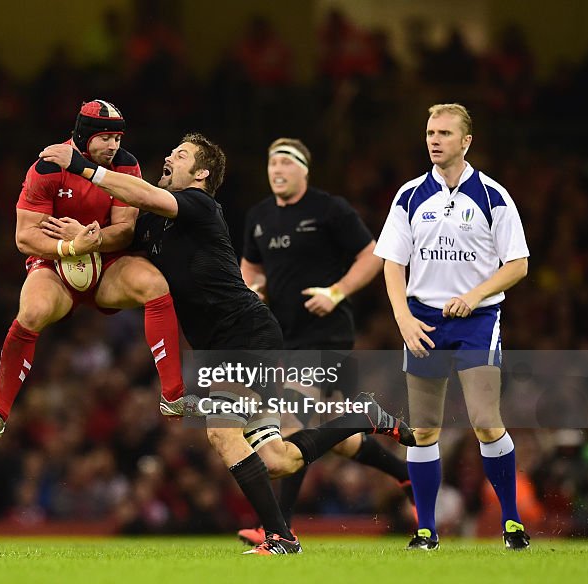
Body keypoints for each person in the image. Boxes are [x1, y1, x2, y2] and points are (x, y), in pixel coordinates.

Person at [39, 133, 416, 555]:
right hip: (221, 347)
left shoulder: (201, 206)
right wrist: (82, 236)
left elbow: (141, 193)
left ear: (200, 174)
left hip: (246, 335)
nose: (168, 156)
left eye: (179, 155)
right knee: (278, 461)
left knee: (221, 430)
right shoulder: (150, 223)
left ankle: (281, 537)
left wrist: (84, 167)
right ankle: (360, 415)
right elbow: (119, 235)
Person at [0, 100, 193, 441]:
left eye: (117, 137)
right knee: (32, 311)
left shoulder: (125, 165)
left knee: (155, 285)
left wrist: (91, 239)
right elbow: (25, 237)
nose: (114, 145)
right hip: (55, 263)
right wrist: (70, 248)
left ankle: (173, 396)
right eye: (105, 138)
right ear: (84, 136)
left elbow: (125, 230)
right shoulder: (46, 169)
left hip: (106, 258)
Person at [236, 138, 413, 545]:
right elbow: (250, 266)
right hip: (282, 335)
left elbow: (372, 254)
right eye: (271, 162)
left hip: (326, 334)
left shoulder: (328, 208)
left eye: (285, 162)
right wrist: (254, 288)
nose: (276, 169)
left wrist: (336, 291)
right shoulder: (260, 215)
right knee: (335, 436)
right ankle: (404, 471)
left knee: (291, 424)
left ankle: (277, 529)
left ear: (303, 169)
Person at [374, 103, 531, 551]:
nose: (434, 140)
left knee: (484, 421)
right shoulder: (408, 197)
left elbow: (518, 264)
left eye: (444, 132)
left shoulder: (492, 197)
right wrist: (403, 319)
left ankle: (512, 522)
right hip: (423, 320)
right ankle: (426, 530)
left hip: (478, 320)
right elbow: (392, 264)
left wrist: (475, 296)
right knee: (424, 429)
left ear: (466, 142)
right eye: (429, 132)